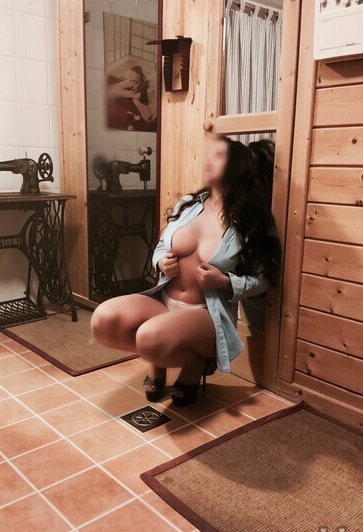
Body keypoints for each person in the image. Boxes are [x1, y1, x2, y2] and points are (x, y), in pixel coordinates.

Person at [91, 135, 281, 406]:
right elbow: (161, 245)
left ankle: (197, 363)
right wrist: (160, 262)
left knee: (148, 338)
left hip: (205, 314)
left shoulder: (249, 221)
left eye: (219, 156)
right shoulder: (189, 204)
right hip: (164, 300)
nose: (208, 160)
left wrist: (225, 282)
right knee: (103, 320)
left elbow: (262, 279)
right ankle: (158, 362)